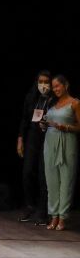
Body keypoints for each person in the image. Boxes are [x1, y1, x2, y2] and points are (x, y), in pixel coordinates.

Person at [41, 75, 80, 231]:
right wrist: (44, 126)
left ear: (66, 85)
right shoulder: (52, 103)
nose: (55, 89)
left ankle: (62, 217)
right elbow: (49, 124)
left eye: (58, 86)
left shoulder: (75, 103)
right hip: (50, 144)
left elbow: (79, 127)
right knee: (52, 182)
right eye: (54, 86)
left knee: (66, 181)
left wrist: (66, 128)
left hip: (67, 143)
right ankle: (54, 216)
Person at [17, 71, 52, 225]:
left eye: (46, 82)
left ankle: (43, 211)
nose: (43, 85)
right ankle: (30, 205)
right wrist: (20, 139)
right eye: (41, 81)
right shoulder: (31, 97)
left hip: (48, 137)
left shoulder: (54, 99)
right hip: (32, 137)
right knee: (28, 171)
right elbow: (24, 119)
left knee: (43, 175)